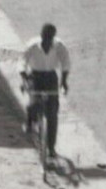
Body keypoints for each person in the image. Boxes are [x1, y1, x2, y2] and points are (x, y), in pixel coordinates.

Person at [21, 24, 70, 159]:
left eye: (49, 38)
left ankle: (51, 148)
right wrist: (24, 79)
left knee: (52, 114)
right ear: (41, 36)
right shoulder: (32, 45)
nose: (47, 41)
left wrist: (64, 82)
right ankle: (30, 122)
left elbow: (65, 63)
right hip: (35, 76)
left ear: (53, 37)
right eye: (45, 38)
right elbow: (22, 62)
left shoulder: (59, 46)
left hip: (51, 78)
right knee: (32, 103)